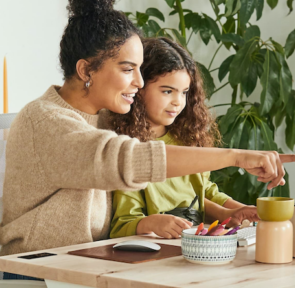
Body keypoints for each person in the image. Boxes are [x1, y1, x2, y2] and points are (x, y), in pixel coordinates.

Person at [0, 0, 295, 288]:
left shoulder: (100, 118)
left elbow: (148, 151)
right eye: (128, 69)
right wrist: (237, 156)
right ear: (85, 70)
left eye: (140, 70)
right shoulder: (48, 122)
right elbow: (130, 159)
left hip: (88, 276)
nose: (137, 82)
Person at [109, 37, 259, 240]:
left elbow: (204, 192)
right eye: (167, 91)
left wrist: (237, 210)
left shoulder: (186, 140)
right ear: (140, 88)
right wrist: (152, 223)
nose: (178, 102)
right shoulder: (130, 150)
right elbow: (122, 225)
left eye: (184, 93)